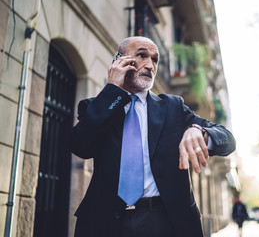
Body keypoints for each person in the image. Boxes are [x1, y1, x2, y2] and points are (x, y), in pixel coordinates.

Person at [70, 36, 236, 237]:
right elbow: (81, 146)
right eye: (142, 55)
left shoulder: (172, 107)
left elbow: (228, 140)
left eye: (155, 60)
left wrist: (200, 131)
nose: (150, 65)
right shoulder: (97, 106)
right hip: (106, 222)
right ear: (119, 61)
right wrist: (112, 90)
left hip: (164, 221)